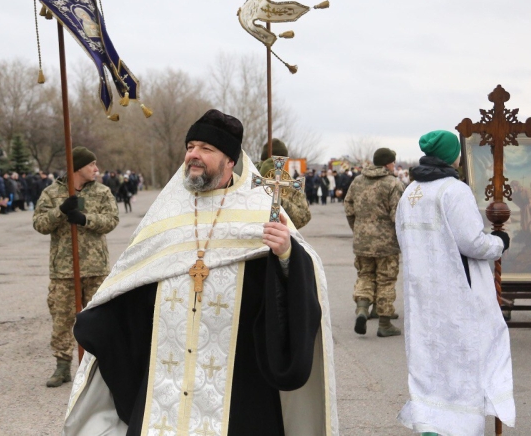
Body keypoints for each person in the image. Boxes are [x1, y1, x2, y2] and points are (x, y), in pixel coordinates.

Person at [62, 110, 336, 435]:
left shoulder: (258, 211)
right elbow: (134, 276)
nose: (193, 154)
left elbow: (296, 293)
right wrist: (101, 320)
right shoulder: (167, 212)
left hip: (238, 382)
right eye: (190, 146)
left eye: (206, 148)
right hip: (164, 382)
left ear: (230, 160)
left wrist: (287, 256)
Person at [395, 130, 515, 436]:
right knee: (462, 357)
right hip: (456, 293)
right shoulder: (454, 190)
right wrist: (499, 242)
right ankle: (458, 427)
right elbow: (472, 243)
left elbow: (402, 239)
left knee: (427, 359)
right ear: (451, 156)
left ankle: (428, 422)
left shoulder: (409, 193)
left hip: (420, 293)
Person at [32, 147, 119, 388]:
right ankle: (62, 366)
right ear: (78, 167)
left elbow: (111, 220)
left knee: (100, 319)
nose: (96, 169)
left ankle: (101, 367)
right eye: (92, 164)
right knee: (62, 318)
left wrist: (84, 219)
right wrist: (60, 212)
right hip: (64, 269)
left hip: (95, 267)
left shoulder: (102, 192)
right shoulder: (51, 193)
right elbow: (39, 223)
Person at [344, 147, 404, 337]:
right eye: (393, 162)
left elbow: (348, 207)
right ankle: (384, 324)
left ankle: (363, 309)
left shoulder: (357, 181)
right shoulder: (393, 184)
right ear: (388, 163)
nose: (394, 165)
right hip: (386, 243)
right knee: (386, 280)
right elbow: (398, 216)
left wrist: (358, 229)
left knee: (365, 275)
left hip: (362, 241)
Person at [257, 138, 312, 229]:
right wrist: (262, 178)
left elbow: (304, 217)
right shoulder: (248, 176)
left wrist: (279, 201)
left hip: (282, 236)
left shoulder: (291, 185)